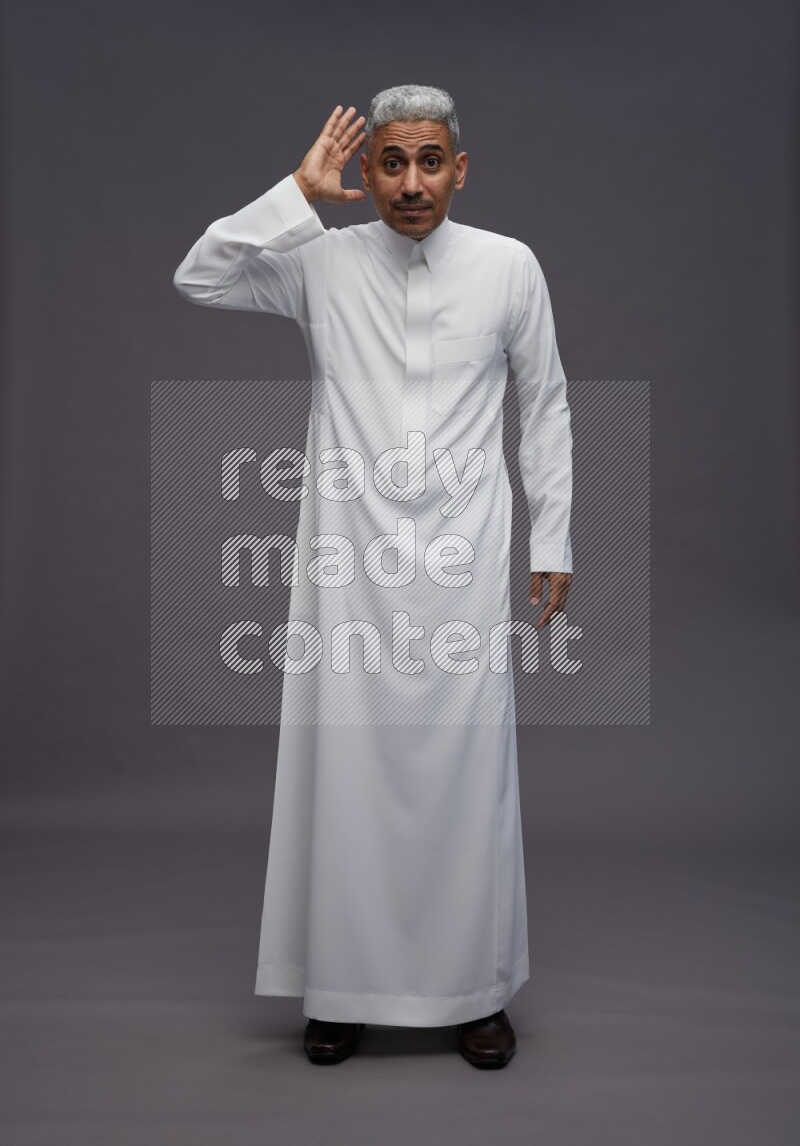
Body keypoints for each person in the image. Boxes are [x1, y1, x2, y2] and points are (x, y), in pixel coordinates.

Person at [173, 85, 573, 1068]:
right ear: (363, 172)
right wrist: (293, 199)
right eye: (387, 163)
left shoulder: (508, 267)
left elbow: (548, 405)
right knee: (344, 774)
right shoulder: (320, 259)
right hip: (346, 567)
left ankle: (474, 995)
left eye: (427, 161)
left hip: (464, 564)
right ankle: (339, 990)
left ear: (458, 169)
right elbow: (199, 276)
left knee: (464, 775)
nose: (408, 183)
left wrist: (550, 540)